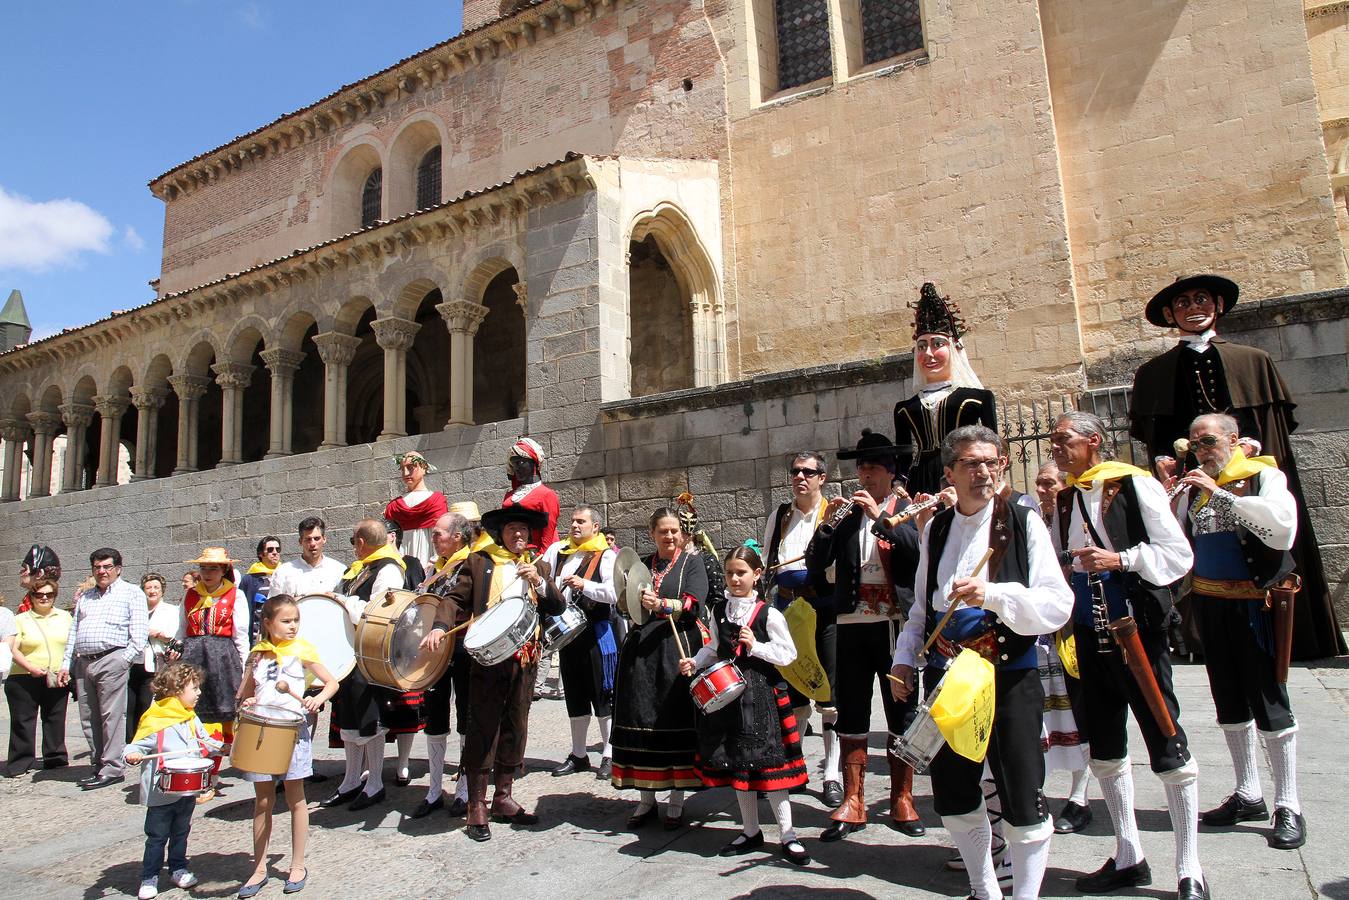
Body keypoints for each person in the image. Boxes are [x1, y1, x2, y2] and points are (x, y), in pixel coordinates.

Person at [888, 425, 1072, 900]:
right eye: (972, 463)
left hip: (1009, 675)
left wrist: (993, 594)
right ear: (949, 472)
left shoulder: (1022, 521)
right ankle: (985, 888)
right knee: (954, 793)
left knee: (1022, 795)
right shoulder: (938, 528)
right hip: (948, 678)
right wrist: (906, 659)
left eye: (992, 462)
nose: (984, 472)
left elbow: (1057, 605)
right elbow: (922, 609)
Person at [1130, 274, 1343, 660]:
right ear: (1169, 314)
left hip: (1247, 475)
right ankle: (1198, 637)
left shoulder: (1253, 360)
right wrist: (1166, 459)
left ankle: (1288, 632)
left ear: (1218, 306)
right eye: (1183, 303)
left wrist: (1251, 447)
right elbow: (1153, 431)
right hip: (1190, 479)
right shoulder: (1152, 373)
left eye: (1201, 300)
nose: (1193, 308)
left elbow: (1274, 427)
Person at [1048, 411, 1206, 900]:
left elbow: (1178, 557)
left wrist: (1120, 559)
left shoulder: (1134, 486)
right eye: (1053, 440)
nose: (1055, 447)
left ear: (1093, 441)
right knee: (1106, 748)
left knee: (1166, 740)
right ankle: (1128, 854)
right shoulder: (1068, 496)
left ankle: (1190, 868)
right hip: (1089, 638)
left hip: (1137, 634)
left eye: (1063, 440)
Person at [1171, 413, 1306, 850]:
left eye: (1207, 440)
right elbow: (1178, 539)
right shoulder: (1194, 487)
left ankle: (1289, 803)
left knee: (1269, 699)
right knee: (1228, 700)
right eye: (1194, 443)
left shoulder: (1262, 475)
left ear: (1232, 439)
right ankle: (1248, 793)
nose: (1200, 449)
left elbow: (1282, 530)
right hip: (1212, 605)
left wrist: (1220, 495)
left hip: (1254, 604)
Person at [809, 429, 926, 842]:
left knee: (900, 710)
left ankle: (902, 798)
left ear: (890, 472)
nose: (865, 475)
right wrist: (825, 527)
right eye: (861, 468)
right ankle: (854, 800)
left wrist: (880, 516)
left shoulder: (908, 508)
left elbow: (914, 550)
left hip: (895, 626)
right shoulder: (847, 513)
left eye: (873, 467)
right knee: (852, 709)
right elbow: (814, 564)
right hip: (851, 624)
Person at [427, 505, 565, 841]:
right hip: (488, 660)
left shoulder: (539, 564)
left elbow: (557, 606)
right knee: (482, 727)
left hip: (525, 657)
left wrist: (541, 584)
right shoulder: (480, 561)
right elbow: (455, 599)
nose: (518, 536)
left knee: (515, 725)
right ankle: (477, 804)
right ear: (500, 533)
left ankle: (503, 797)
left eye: (523, 530)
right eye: (512, 530)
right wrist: (440, 626)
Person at [680, 545, 810, 865]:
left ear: (757, 575)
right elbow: (713, 647)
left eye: (741, 572)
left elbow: (788, 655)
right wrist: (694, 662)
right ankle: (750, 830)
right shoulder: (720, 609)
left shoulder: (769, 613)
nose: (735, 578)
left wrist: (757, 647)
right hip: (731, 699)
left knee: (769, 766)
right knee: (740, 763)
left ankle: (788, 834)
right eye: (730, 573)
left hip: (761, 695)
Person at [610, 507, 709, 829]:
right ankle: (645, 801)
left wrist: (664, 605)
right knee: (641, 718)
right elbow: (625, 603)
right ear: (652, 533)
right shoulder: (640, 563)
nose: (669, 536)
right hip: (640, 654)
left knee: (673, 718)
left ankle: (677, 804)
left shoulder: (693, 562)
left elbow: (696, 602)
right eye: (663, 531)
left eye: (674, 531)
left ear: (682, 533)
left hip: (675, 648)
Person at [235, 595, 340, 897]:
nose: (293, 626)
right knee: (263, 802)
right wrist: (249, 699)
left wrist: (317, 699)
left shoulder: (302, 650)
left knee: (296, 799)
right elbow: (245, 694)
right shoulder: (257, 654)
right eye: (286, 620)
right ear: (268, 623)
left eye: (296, 620)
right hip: (262, 733)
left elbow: (331, 682)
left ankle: (297, 863)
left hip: (292, 730)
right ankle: (258, 868)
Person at [762, 450, 838, 806]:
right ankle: (796, 764)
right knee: (793, 691)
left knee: (829, 694)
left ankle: (833, 774)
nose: (800, 477)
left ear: (822, 477)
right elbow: (767, 560)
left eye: (808, 472)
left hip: (823, 610)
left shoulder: (833, 513)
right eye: (795, 471)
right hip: (787, 610)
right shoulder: (780, 515)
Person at [410, 505, 490, 819]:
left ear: (456, 538)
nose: (433, 539)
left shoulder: (473, 562)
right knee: (435, 720)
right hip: (434, 652)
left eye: (437, 535)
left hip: (461, 650)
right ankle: (433, 791)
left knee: (465, 719)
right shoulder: (436, 568)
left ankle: (464, 790)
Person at [321, 519, 406, 812]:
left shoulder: (389, 569)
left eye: (352, 541)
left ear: (360, 542)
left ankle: (375, 784)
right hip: (348, 654)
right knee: (348, 719)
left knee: (370, 719)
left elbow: (381, 613)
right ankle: (351, 780)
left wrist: (343, 602)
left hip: (369, 655)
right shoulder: (358, 569)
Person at [1029, 461, 1093, 835]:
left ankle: (1080, 797)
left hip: (1074, 626)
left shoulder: (1077, 516)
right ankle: (1036, 791)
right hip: (1041, 633)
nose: (1042, 489)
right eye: (1039, 483)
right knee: (1041, 716)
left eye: (1049, 483)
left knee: (1080, 713)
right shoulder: (1033, 519)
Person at [123, 662, 222, 900]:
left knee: (181, 832)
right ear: (176, 690)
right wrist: (132, 755)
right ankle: (149, 877)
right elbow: (136, 745)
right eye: (194, 688)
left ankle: (178, 868)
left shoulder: (190, 717)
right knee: (156, 836)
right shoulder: (156, 718)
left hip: (186, 790)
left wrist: (223, 747)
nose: (199, 693)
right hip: (161, 791)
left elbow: (205, 741)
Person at [893, 282, 997, 496]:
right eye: (922, 347)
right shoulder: (904, 408)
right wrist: (899, 482)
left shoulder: (978, 399)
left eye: (937, 344)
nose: (929, 354)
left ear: (953, 348)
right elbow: (904, 455)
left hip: (963, 472)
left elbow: (993, 445)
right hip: (920, 477)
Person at [58, 548, 148, 790]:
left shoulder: (131, 594)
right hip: (84, 661)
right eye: (97, 567)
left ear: (118, 568)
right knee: (88, 717)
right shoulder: (86, 598)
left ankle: (112, 768)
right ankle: (98, 764)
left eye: (107, 566)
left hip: (112, 658)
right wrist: (66, 663)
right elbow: (73, 632)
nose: (102, 571)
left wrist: (124, 660)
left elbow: (139, 634)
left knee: (111, 717)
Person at [541, 505, 619, 779]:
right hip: (569, 635)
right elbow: (545, 582)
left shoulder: (606, 555)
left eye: (581, 522)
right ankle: (579, 754)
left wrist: (584, 585)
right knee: (574, 695)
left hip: (596, 635)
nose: (575, 526)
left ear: (595, 527)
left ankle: (609, 755)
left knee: (602, 695)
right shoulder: (559, 552)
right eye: (573, 521)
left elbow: (614, 594)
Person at [177, 547, 250, 802]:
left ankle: (211, 778)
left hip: (222, 659)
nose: (207, 573)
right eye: (204, 568)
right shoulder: (189, 596)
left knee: (221, 717)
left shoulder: (234, 595)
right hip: (193, 658)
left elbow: (240, 635)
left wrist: (245, 670)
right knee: (193, 717)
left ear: (223, 571)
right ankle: (196, 773)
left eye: (213, 568)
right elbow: (181, 630)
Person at [4, 577, 72, 776]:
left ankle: (55, 758)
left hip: (56, 675)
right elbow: (12, 649)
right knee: (23, 721)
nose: (44, 598)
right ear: (31, 597)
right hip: (24, 676)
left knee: (55, 717)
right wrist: (30, 666)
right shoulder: (20, 619)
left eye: (49, 594)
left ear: (55, 596)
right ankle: (20, 762)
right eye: (39, 594)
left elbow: (72, 644)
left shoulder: (65, 617)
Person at [381, 517, 427, 787]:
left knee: (405, 705)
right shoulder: (368, 565)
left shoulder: (410, 563)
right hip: (378, 642)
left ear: (392, 537)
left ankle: (403, 763)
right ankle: (369, 765)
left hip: (405, 641)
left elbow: (420, 599)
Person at [127, 574, 184, 744]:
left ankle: (145, 738)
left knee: (146, 702)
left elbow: (176, 637)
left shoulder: (172, 610)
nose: (152, 591)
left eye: (156, 588)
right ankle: (130, 741)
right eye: (148, 588)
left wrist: (158, 634)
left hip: (156, 664)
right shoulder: (136, 610)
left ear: (162, 590)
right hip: (133, 663)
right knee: (129, 704)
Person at [384, 451, 448, 568]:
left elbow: (440, 533)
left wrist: (434, 561)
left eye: (410, 468)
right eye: (402, 469)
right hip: (399, 562)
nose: (405, 473)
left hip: (428, 561)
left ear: (424, 468)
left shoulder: (436, 500)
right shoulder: (393, 506)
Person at [501, 437, 561, 551]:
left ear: (533, 463)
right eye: (514, 464)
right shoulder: (509, 495)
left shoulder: (547, 494)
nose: (516, 468)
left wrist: (540, 561)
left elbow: (548, 534)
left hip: (537, 555)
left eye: (520, 462)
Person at [268, 517, 347, 600]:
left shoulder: (339, 570)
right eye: (308, 539)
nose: (312, 543)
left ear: (324, 539)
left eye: (317, 538)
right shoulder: (283, 571)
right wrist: (294, 600)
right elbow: (271, 606)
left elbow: (347, 604)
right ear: (300, 541)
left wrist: (335, 597)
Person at [239, 537, 281, 644]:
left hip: (280, 635)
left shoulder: (285, 574)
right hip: (256, 638)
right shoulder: (249, 579)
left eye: (278, 549)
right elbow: (241, 609)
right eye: (270, 550)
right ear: (261, 554)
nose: (275, 553)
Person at [17, 544, 61, 613]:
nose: (21, 572)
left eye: (25, 569)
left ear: (39, 573)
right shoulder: (28, 600)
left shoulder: (38, 605)